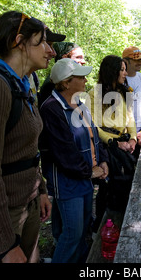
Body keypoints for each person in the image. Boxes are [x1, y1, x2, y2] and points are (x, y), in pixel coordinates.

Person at [0, 11, 64, 263]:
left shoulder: (23, 85)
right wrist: (6, 245)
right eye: (43, 42)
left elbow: (27, 149)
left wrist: (39, 190)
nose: (51, 51)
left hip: (25, 207)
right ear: (19, 42)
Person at [39, 58, 109, 263]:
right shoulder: (52, 108)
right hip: (68, 182)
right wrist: (90, 171)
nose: (86, 80)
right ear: (66, 82)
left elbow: (93, 135)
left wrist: (103, 161)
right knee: (72, 234)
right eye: (81, 77)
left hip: (84, 177)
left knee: (83, 229)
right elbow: (63, 151)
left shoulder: (79, 103)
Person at [88, 55, 137, 231]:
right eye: (122, 70)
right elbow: (93, 126)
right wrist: (113, 142)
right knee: (108, 189)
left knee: (126, 183)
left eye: (125, 69)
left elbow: (130, 118)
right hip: (107, 146)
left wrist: (133, 138)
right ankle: (100, 229)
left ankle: (123, 224)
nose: (125, 73)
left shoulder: (127, 91)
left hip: (124, 144)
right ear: (112, 71)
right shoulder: (94, 94)